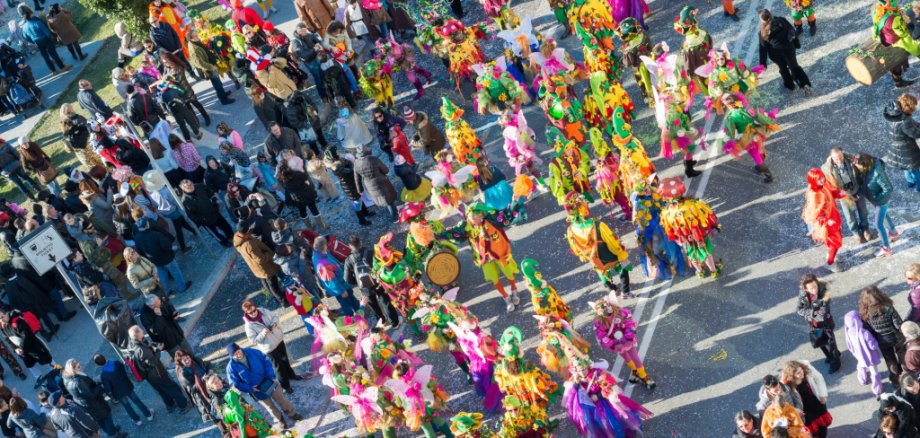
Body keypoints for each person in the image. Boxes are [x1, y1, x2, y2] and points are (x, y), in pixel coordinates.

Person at [225, 342, 302, 429]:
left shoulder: (252, 352)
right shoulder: (231, 367)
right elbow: (236, 383)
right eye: (235, 354)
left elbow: (266, 361)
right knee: (270, 407)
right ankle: (280, 420)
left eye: (238, 351)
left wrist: (271, 376)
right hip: (256, 390)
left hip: (269, 382)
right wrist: (250, 388)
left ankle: (292, 414)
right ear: (231, 356)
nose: (238, 355)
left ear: (240, 348)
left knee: (281, 399)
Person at [241, 301, 303, 394]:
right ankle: (285, 385)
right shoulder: (249, 325)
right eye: (251, 313)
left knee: (285, 359)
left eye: (254, 310)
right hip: (269, 347)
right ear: (247, 313)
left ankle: (291, 375)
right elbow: (253, 340)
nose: (254, 313)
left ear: (255, 307)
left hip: (278, 339)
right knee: (278, 367)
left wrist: (274, 323)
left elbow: (275, 317)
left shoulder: (263, 311)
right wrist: (263, 333)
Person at [126, 325, 190, 413]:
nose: (142, 330)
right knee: (172, 387)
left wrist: (150, 346)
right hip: (157, 373)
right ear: (138, 335)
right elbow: (153, 362)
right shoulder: (142, 349)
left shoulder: (132, 344)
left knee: (162, 390)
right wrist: (158, 350)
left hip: (149, 376)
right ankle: (184, 405)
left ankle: (170, 405)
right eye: (140, 330)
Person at [343, 235, 400, 328]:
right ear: (360, 243)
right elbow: (381, 264)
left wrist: (357, 281)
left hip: (364, 286)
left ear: (350, 246)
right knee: (385, 300)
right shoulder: (370, 252)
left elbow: (347, 279)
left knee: (373, 305)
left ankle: (382, 321)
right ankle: (394, 322)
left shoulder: (348, 260)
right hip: (377, 281)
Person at [61, 359, 125, 438]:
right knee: (107, 416)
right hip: (94, 403)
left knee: (99, 419)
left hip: (86, 405)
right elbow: (90, 395)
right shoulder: (78, 381)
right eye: (78, 367)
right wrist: (98, 386)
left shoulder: (66, 379)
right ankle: (114, 435)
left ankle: (110, 431)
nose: (80, 367)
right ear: (72, 369)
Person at [853, 153, 900, 257]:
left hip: (881, 202)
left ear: (865, 164)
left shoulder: (877, 173)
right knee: (884, 216)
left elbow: (888, 189)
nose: (857, 168)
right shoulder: (865, 168)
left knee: (878, 224)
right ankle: (893, 233)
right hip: (875, 200)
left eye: (858, 166)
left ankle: (886, 248)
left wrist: (878, 199)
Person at [822, 147, 870, 243]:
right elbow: (832, 185)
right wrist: (846, 195)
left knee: (863, 211)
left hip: (856, 188)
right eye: (836, 158)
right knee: (849, 216)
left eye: (840, 156)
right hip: (843, 193)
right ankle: (855, 232)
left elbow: (863, 168)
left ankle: (865, 228)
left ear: (843, 153)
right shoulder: (826, 168)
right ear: (831, 157)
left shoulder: (851, 159)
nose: (839, 160)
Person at [133, 217, 191, 295]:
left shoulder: (137, 238)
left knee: (162, 276)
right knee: (175, 272)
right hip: (166, 258)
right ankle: (182, 287)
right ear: (147, 225)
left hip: (154, 261)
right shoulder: (156, 235)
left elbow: (140, 252)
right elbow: (167, 246)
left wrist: (148, 257)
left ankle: (167, 291)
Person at [795, 274, 841, 373]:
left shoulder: (825, 294)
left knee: (831, 344)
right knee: (820, 342)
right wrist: (812, 313)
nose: (814, 290)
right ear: (806, 289)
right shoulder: (803, 294)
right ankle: (830, 356)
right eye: (811, 289)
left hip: (826, 323)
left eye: (815, 286)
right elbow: (799, 309)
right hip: (813, 324)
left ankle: (836, 364)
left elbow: (822, 315)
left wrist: (808, 313)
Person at [861, 286, 906, 386]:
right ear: (879, 295)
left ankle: (895, 380)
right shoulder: (888, 307)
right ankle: (905, 375)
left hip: (882, 340)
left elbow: (869, 330)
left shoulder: (865, 313)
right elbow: (898, 323)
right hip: (896, 337)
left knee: (890, 360)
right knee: (902, 355)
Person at [234, 222, 287, 307]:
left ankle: (278, 299)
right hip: (266, 268)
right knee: (273, 286)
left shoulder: (238, 238)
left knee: (267, 285)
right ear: (246, 232)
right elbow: (260, 259)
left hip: (257, 269)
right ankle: (284, 302)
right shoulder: (248, 244)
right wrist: (271, 253)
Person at [758, 9, 811, 93]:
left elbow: (763, 49)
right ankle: (804, 84)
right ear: (770, 15)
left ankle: (790, 85)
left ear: (762, 20)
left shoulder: (762, 33)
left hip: (775, 54)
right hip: (788, 49)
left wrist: (763, 65)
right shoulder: (781, 21)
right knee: (794, 67)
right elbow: (792, 32)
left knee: (783, 69)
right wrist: (797, 44)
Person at [94, 354, 154, 427]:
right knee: (137, 401)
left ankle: (137, 420)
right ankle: (148, 415)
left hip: (119, 393)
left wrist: (108, 393)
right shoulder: (117, 363)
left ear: (98, 365)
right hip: (127, 386)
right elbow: (124, 371)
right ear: (105, 357)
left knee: (127, 406)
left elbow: (108, 388)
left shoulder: (104, 375)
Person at [802, 168, 844, 269]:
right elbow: (815, 214)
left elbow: (831, 194)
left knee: (834, 242)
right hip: (827, 224)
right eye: (819, 179)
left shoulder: (823, 185)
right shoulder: (815, 195)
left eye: (822, 177)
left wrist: (839, 194)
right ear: (813, 180)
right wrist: (827, 221)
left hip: (833, 219)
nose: (822, 180)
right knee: (835, 243)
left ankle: (831, 255)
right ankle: (830, 263)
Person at [780, 361, 831, 438]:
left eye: (801, 370)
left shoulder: (806, 367)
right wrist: (795, 410)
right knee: (813, 431)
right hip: (805, 410)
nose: (802, 373)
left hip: (816, 403)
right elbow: (786, 401)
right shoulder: (786, 384)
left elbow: (818, 378)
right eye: (798, 373)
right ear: (792, 376)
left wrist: (823, 394)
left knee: (823, 427)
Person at [312, 236, 360, 315]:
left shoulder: (317, 255)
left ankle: (357, 309)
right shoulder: (323, 265)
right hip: (340, 287)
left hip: (342, 283)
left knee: (351, 298)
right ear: (323, 246)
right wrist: (341, 291)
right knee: (346, 304)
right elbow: (331, 281)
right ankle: (352, 318)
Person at [186, 29, 235, 106]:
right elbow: (199, 63)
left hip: (211, 64)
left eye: (196, 34)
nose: (197, 36)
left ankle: (223, 94)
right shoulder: (194, 49)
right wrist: (211, 67)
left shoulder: (195, 42)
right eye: (195, 36)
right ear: (191, 38)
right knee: (217, 84)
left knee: (218, 82)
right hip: (209, 68)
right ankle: (224, 99)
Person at [0, 307, 53, 378]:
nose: (1, 320)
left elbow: (26, 335)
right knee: (29, 364)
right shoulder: (3, 326)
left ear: (6, 314)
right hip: (22, 351)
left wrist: (21, 348)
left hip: (33, 345)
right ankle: (39, 378)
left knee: (46, 359)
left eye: (2, 317)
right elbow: (7, 339)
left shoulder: (18, 321)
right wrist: (15, 348)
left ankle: (57, 369)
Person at [178, 180, 233, 247]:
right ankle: (225, 243)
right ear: (183, 189)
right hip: (206, 221)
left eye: (191, 184)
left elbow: (211, 193)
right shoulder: (185, 201)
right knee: (215, 234)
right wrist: (202, 219)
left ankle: (231, 236)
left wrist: (215, 202)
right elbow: (191, 216)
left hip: (214, 212)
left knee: (225, 226)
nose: (191, 186)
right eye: (188, 187)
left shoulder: (199, 186)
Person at [18, 5, 70, 75]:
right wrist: (52, 37)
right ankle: (62, 67)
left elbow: (26, 37)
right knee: (54, 54)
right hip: (46, 40)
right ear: (29, 11)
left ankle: (54, 71)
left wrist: (33, 41)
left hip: (37, 42)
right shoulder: (37, 22)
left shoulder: (24, 27)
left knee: (46, 57)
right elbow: (47, 32)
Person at [883, 94, 920, 192]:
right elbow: (914, 133)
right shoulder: (904, 121)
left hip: (894, 147)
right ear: (908, 107)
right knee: (914, 167)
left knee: (904, 167)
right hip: (907, 148)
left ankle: (910, 182)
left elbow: (912, 124)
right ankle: (919, 185)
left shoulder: (892, 113)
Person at [353, 143, 399, 220]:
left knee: (383, 199)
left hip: (369, 185)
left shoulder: (356, 163)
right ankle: (395, 217)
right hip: (382, 182)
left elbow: (356, 178)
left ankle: (393, 211)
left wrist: (360, 190)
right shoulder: (373, 159)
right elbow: (386, 170)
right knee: (388, 200)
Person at [277, 162, 327, 231]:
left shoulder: (281, 179)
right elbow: (306, 179)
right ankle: (322, 227)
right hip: (306, 194)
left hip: (296, 198)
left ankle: (310, 228)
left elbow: (284, 187)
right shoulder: (297, 173)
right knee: (313, 209)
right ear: (288, 167)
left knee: (302, 212)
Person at [844, 310, 883, 398]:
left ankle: (862, 379)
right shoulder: (865, 333)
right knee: (874, 372)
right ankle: (877, 389)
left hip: (859, 356)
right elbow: (873, 346)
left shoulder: (849, 332)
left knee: (861, 366)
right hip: (870, 357)